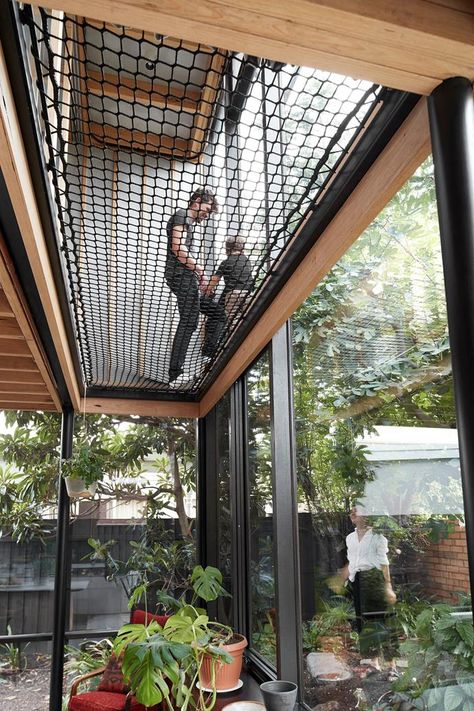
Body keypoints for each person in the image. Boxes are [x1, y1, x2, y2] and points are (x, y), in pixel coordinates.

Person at [165, 188, 227, 382]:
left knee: (218, 314)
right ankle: (175, 373)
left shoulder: (189, 222)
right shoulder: (183, 215)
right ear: (197, 201)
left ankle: (207, 354)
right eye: (207, 209)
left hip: (186, 277)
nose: (206, 215)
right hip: (180, 276)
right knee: (189, 321)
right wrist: (199, 269)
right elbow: (178, 247)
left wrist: (197, 274)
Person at [341, 505, 398, 679]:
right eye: (352, 513)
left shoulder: (377, 536)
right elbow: (352, 560)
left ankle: (392, 666)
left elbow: (384, 562)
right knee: (365, 624)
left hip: (374, 579)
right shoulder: (349, 538)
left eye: (357, 512)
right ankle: (375, 663)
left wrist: (388, 586)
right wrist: (345, 578)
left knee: (383, 623)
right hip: (358, 581)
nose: (354, 515)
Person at [203, 234, 253, 322]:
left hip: (232, 294)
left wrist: (207, 290)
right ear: (242, 248)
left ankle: (235, 334)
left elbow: (215, 280)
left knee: (233, 320)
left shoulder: (225, 262)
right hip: (248, 293)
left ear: (227, 249)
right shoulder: (246, 261)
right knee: (248, 319)